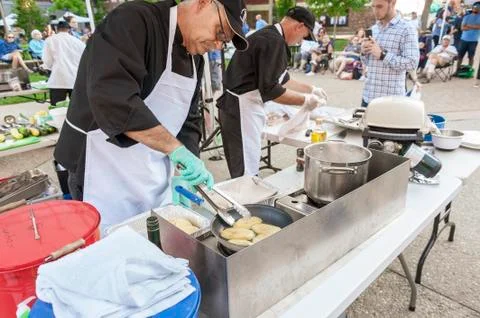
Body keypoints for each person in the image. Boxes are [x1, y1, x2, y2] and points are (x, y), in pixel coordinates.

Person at [53, 0, 249, 232]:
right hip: (100, 170)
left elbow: (189, 120)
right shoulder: (134, 20)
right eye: (220, 32)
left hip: (151, 172)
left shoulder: (196, 58)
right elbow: (113, 98)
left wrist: (188, 165)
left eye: (223, 42)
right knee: (108, 246)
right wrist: (175, 150)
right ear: (203, 2)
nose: (217, 45)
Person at [218, 6, 328, 178]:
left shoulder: (271, 36)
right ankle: (245, 201)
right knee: (246, 170)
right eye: (304, 35)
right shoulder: (273, 41)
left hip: (242, 106)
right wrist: (305, 101)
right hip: (240, 107)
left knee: (248, 162)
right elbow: (271, 90)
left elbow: (283, 79)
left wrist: (311, 89)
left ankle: (247, 198)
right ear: (299, 26)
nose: (301, 41)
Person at [360, 0, 419, 107]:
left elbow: (412, 63)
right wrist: (364, 52)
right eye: (373, 6)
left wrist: (382, 55)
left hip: (391, 101)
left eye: (379, 6)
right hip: (368, 97)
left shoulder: (407, 28)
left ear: (392, 3)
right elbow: (368, 62)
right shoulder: (374, 29)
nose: (375, 11)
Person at [42, 21, 86, 105]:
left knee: (56, 108)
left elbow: (47, 61)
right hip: (75, 78)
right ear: (69, 29)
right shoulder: (78, 42)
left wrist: (47, 68)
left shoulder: (50, 40)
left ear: (56, 29)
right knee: (78, 109)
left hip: (58, 79)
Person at [456, 3, 480, 74]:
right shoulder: (466, 17)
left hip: (473, 41)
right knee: (460, 56)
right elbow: (462, 28)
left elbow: (479, 27)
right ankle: (457, 71)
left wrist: (468, 26)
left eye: (477, 8)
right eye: (475, 7)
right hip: (464, 39)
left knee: (471, 57)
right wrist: (474, 26)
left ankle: (469, 72)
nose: (476, 9)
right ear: (472, 8)